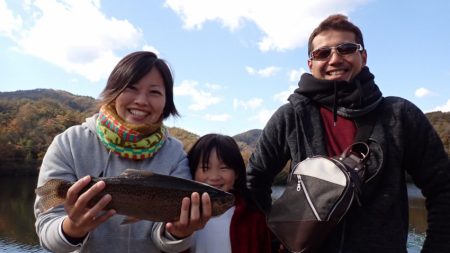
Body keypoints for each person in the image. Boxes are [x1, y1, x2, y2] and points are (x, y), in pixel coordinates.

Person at [246, 14, 450, 252]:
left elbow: (443, 188)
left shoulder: (399, 115)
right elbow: (254, 181)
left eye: (346, 49)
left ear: (363, 56)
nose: (335, 59)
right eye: (322, 53)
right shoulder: (291, 117)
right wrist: (276, 236)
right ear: (310, 64)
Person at [34, 51, 211, 252]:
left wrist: (179, 232)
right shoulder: (70, 142)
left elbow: (166, 240)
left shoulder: (175, 153)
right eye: (131, 88)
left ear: (166, 103)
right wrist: (72, 228)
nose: (141, 101)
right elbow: (46, 229)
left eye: (154, 92)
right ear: (114, 91)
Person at [153, 133, 273, 253]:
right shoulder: (179, 213)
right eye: (205, 167)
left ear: (237, 173)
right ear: (192, 170)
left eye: (224, 167)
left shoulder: (254, 216)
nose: (214, 177)